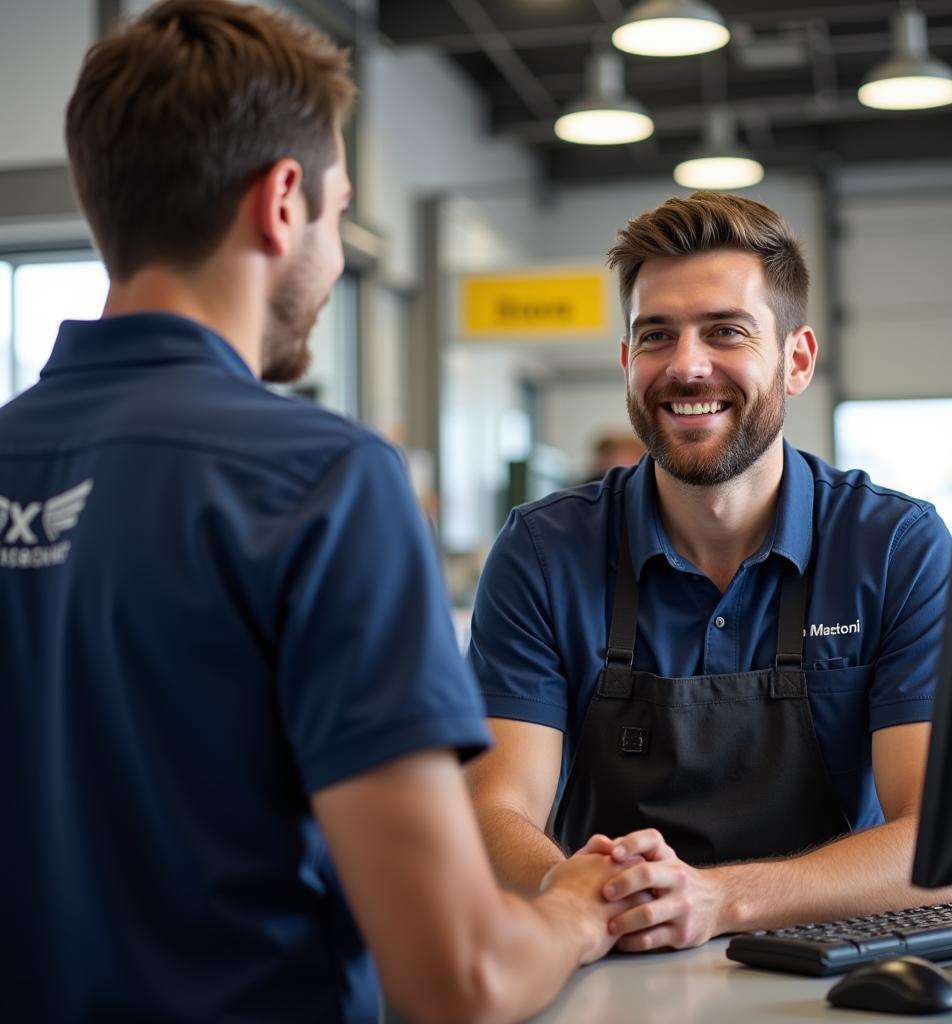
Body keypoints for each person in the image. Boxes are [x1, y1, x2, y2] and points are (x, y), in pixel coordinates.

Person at [0, 3, 636, 1021]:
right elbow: (457, 976)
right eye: (339, 214)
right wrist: (574, 910)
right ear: (282, 200)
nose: (337, 259)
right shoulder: (323, 480)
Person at [466, 191, 952, 953]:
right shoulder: (543, 549)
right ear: (629, 363)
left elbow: (936, 846)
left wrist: (716, 898)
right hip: (609, 963)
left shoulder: (895, 546)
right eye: (656, 336)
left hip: (831, 978)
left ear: (795, 360)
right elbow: (495, 809)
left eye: (725, 332)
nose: (687, 366)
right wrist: (579, 892)